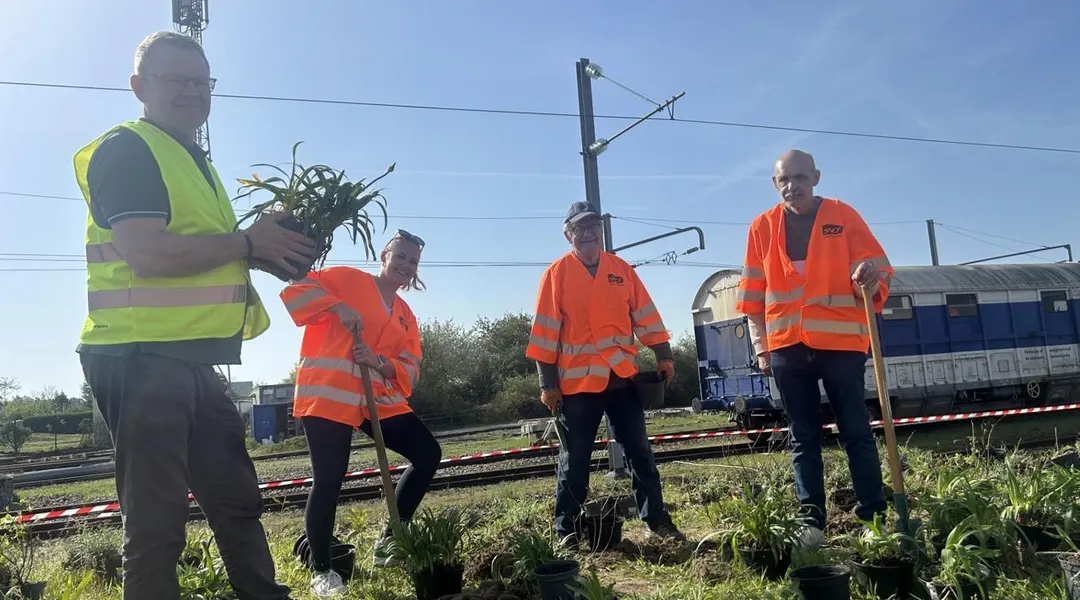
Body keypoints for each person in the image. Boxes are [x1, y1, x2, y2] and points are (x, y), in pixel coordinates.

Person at [74, 31, 314, 600]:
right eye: (173, 79)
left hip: (191, 360)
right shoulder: (129, 149)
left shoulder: (191, 159)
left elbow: (216, 252)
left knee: (235, 500)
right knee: (157, 524)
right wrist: (246, 244)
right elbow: (149, 254)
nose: (190, 91)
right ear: (139, 87)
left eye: (199, 81)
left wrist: (268, 246)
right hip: (138, 356)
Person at [735, 149, 892, 548]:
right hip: (787, 346)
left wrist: (870, 276)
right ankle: (812, 523)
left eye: (800, 177)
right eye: (785, 179)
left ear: (816, 177)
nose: (793, 186)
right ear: (775, 184)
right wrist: (762, 347)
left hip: (841, 345)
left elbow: (880, 272)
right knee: (803, 436)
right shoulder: (761, 228)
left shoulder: (844, 216)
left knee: (856, 430)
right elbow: (753, 295)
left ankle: (874, 516)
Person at [280, 230, 440, 598]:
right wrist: (338, 307)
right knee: (329, 479)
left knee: (428, 453)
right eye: (400, 256)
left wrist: (381, 363)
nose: (405, 265)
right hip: (330, 393)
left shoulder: (405, 315)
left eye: (412, 261)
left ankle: (390, 542)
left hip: (375, 400)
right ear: (385, 256)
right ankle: (322, 570)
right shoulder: (347, 280)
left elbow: (411, 365)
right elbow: (296, 286)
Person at [525, 201, 685, 544]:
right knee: (575, 458)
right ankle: (566, 529)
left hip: (621, 378)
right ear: (568, 234)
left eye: (592, 226)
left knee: (640, 452)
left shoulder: (621, 269)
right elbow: (544, 334)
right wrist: (547, 384)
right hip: (578, 385)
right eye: (580, 228)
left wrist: (664, 355)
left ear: (601, 230)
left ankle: (657, 520)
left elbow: (646, 315)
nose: (587, 233)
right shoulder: (556, 274)